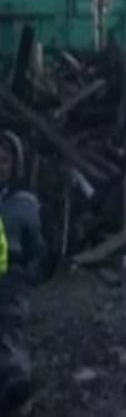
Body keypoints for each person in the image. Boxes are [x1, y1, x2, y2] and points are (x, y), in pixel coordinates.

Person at [0, 133, 45, 414]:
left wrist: (27, 274)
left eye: (3, 160)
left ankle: (18, 390)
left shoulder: (23, 203)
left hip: (10, 283)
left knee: (8, 334)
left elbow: (37, 249)